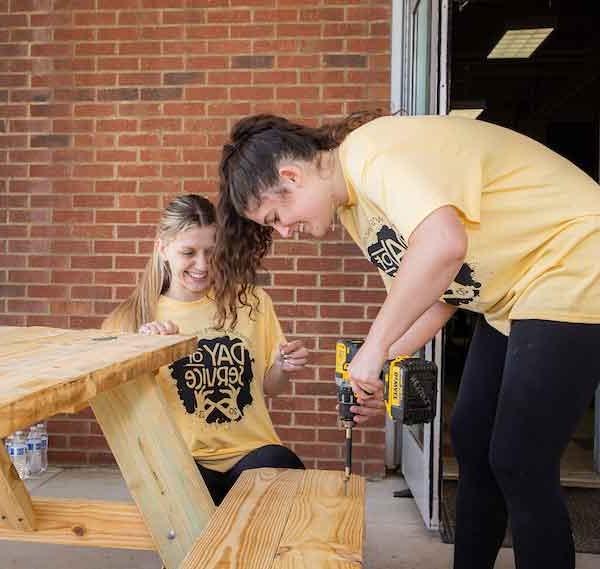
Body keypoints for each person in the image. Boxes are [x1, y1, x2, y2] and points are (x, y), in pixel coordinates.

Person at [212, 112, 600, 569]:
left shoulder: (374, 151)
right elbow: (434, 291)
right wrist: (383, 362)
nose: (282, 232)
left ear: (291, 176)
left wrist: (376, 350)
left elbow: (443, 245)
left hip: (576, 259)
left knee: (521, 459)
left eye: (275, 217)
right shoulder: (356, 209)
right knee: (473, 439)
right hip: (514, 295)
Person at [103, 194, 309, 506]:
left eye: (211, 252)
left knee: (281, 464)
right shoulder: (130, 318)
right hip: (183, 458)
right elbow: (122, 411)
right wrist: (148, 353)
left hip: (250, 452)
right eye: (188, 252)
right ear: (163, 248)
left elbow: (271, 387)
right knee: (189, 502)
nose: (202, 265)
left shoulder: (251, 302)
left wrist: (281, 365)